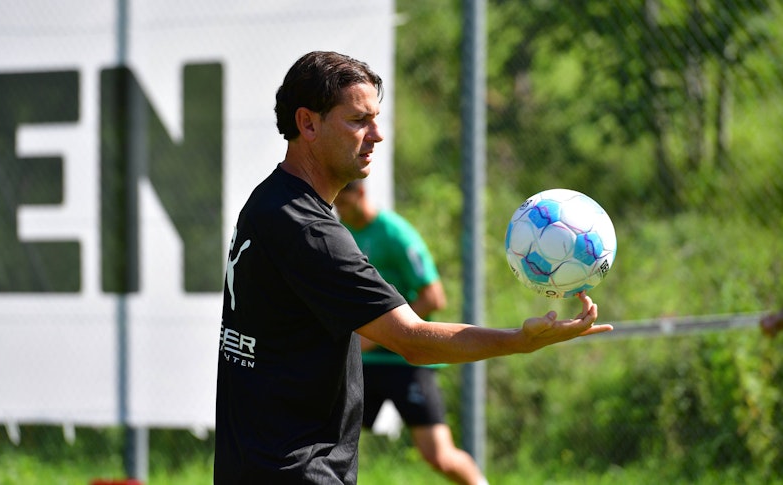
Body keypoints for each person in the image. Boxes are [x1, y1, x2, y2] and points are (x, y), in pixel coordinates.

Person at [214, 50, 612, 484]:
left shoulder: (267, 201)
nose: (376, 135)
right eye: (357, 120)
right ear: (308, 123)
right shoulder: (311, 232)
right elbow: (414, 341)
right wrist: (520, 340)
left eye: (376, 119)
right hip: (297, 472)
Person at [335, 179, 487, 485]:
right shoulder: (342, 234)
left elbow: (434, 297)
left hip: (408, 364)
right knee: (324, 443)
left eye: (344, 203)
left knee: (439, 456)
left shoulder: (395, 234)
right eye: (336, 204)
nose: (339, 210)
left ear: (361, 192)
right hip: (362, 365)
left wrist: (391, 332)